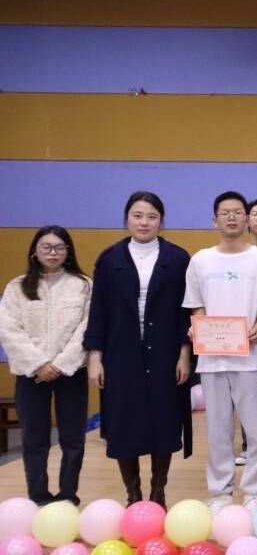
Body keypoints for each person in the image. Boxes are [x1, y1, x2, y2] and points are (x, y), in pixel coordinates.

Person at [84, 191, 192, 507]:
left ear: (161, 221)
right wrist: (95, 357)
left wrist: (184, 353)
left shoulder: (177, 258)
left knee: (163, 420)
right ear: (127, 218)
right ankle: (132, 493)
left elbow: (185, 312)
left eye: (152, 216)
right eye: (137, 215)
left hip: (165, 353)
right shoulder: (109, 259)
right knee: (123, 423)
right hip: (120, 354)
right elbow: (98, 311)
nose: (144, 222)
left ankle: (158, 491)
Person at [183, 191, 257, 514]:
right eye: (225, 212)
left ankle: (254, 489)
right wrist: (199, 328)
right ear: (215, 220)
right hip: (212, 359)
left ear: (247, 218)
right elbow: (196, 304)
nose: (232, 217)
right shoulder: (201, 260)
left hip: (253, 358)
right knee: (218, 430)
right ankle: (221, 490)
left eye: (238, 212)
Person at [0, 226, 91, 505]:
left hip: (71, 373)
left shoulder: (83, 285)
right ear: (34, 251)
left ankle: (67, 495)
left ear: (68, 252)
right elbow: (9, 330)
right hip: (31, 374)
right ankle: (38, 496)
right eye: (46, 247)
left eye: (59, 247)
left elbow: (87, 328)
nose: (53, 252)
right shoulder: (17, 287)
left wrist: (61, 364)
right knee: (34, 438)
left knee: (73, 438)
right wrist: (39, 364)